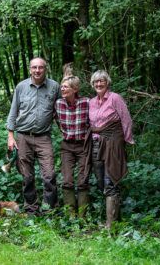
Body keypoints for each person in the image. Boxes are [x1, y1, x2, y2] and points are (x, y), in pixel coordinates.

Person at [7, 57, 61, 216]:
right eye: (34, 68)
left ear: (45, 69)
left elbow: (60, 111)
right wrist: (11, 136)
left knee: (49, 175)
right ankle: (31, 210)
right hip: (23, 137)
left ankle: (50, 211)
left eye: (41, 67)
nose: (37, 71)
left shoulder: (54, 87)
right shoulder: (21, 87)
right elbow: (13, 111)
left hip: (44, 137)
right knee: (27, 176)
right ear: (30, 69)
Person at [84, 70, 134, 228]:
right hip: (96, 144)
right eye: (96, 81)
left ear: (107, 82)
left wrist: (123, 142)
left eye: (102, 81)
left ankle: (111, 225)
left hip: (113, 143)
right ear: (92, 84)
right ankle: (115, 220)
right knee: (101, 182)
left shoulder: (115, 98)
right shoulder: (91, 102)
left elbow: (126, 120)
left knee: (110, 181)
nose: (99, 84)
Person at [54, 73, 90, 218]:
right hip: (67, 146)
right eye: (61, 86)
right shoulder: (58, 104)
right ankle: (71, 216)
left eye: (66, 87)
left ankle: (83, 217)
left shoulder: (86, 103)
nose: (62, 89)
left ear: (75, 89)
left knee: (83, 180)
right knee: (67, 180)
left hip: (83, 145)